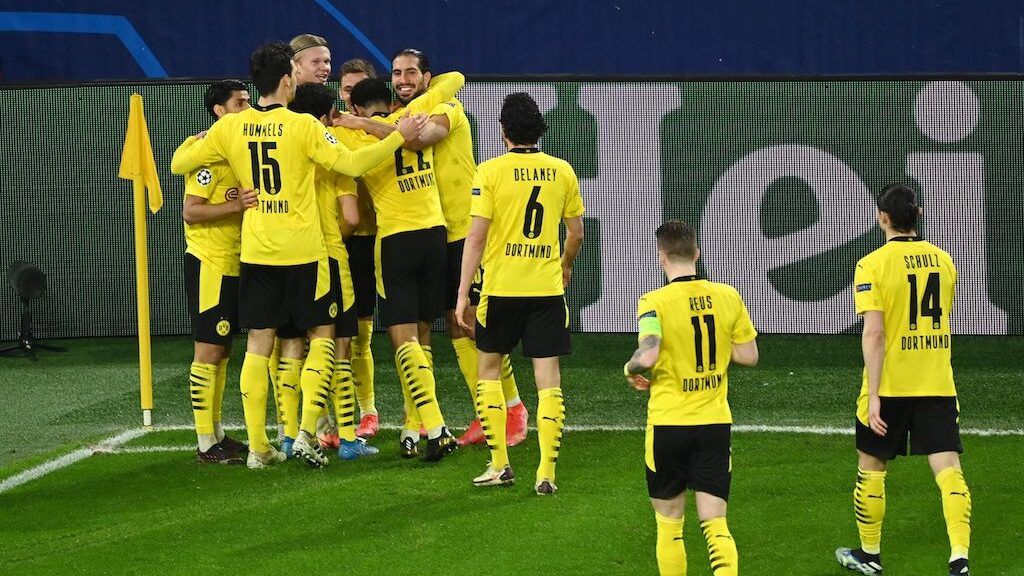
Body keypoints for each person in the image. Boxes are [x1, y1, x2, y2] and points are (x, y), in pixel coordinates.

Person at [171, 41, 425, 469]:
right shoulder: (303, 126)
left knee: (259, 345)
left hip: (256, 253)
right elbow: (353, 164)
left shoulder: (231, 128)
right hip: (304, 253)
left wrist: (199, 139)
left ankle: (259, 448)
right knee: (323, 336)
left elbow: (180, 164)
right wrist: (400, 135)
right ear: (288, 80)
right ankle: (307, 432)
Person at [343, 48, 528, 447]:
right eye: (396, 73)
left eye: (411, 72)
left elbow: (418, 140)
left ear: (427, 77)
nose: (403, 80)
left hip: (464, 230)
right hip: (433, 232)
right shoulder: (401, 115)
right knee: (446, 325)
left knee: (471, 322)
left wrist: (358, 122)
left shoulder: (445, 108)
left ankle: (512, 408)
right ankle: (462, 414)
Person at [836, 183, 972, 576]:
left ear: (882, 218)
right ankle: (959, 558)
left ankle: (869, 555)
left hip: (891, 385)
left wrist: (874, 394)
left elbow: (875, 333)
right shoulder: (944, 261)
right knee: (949, 469)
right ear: (919, 215)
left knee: (871, 465)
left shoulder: (871, 265)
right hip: (936, 381)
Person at [455, 92, 584, 494]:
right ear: (539, 128)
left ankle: (500, 465)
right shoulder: (562, 170)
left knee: (488, 372)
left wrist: (462, 293)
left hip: (501, 290)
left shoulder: (490, 171)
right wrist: (564, 264)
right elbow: (576, 233)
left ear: (503, 129)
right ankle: (546, 474)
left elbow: (476, 238)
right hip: (545, 290)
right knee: (549, 381)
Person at [333, 73, 464, 462]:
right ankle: (412, 425)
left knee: (402, 338)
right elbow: (454, 79)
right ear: (391, 102)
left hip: (396, 241)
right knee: (422, 336)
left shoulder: (352, 136)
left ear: (358, 108)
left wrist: (349, 122)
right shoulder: (413, 118)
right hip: (435, 236)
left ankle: (436, 427)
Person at [622, 220, 757, 576]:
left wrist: (630, 368)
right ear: (696, 253)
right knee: (716, 523)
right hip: (714, 424)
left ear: (661, 256)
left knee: (669, 523)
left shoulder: (653, 302)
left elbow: (648, 354)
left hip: (668, 425)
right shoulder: (728, 296)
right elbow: (749, 355)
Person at [286, 82, 379, 460]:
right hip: (330, 258)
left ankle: (288, 433)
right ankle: (344, 439)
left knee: (293, 346)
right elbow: (352, 218)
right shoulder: (333, 153)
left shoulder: (284, 150)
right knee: (339, 344)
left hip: (289, 258)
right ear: (326, 116)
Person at [181, 79, 253, 464]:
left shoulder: (239, 150)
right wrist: (235, 206)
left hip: (235, 262)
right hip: (210, 263)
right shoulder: (207, 157)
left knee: (223, 350)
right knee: (208, 349)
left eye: (249, 101)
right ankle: (205, 441)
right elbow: (190, 211)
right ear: (219, 111)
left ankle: (218, 433)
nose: (248, 108)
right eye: (240, 103)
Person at [338, 58, 381, 438]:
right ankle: (333, 414)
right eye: (348, 89)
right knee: (333, 335)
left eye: (359, 89)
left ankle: (368, 410)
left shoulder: (387, 130)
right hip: (338, 242)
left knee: (363, 335)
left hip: (371, 239)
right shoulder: (328, 132)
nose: (353, 97)